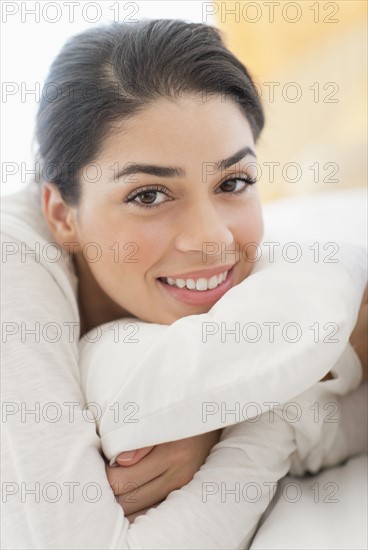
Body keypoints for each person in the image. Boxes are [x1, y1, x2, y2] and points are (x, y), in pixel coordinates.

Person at [2, 19, 367, 549]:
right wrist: (261, 426)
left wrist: (221, 421)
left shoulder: (296, 287)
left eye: (233, 182)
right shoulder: (11, 267)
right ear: (61, 213)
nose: (213, 239)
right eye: (149, 195)